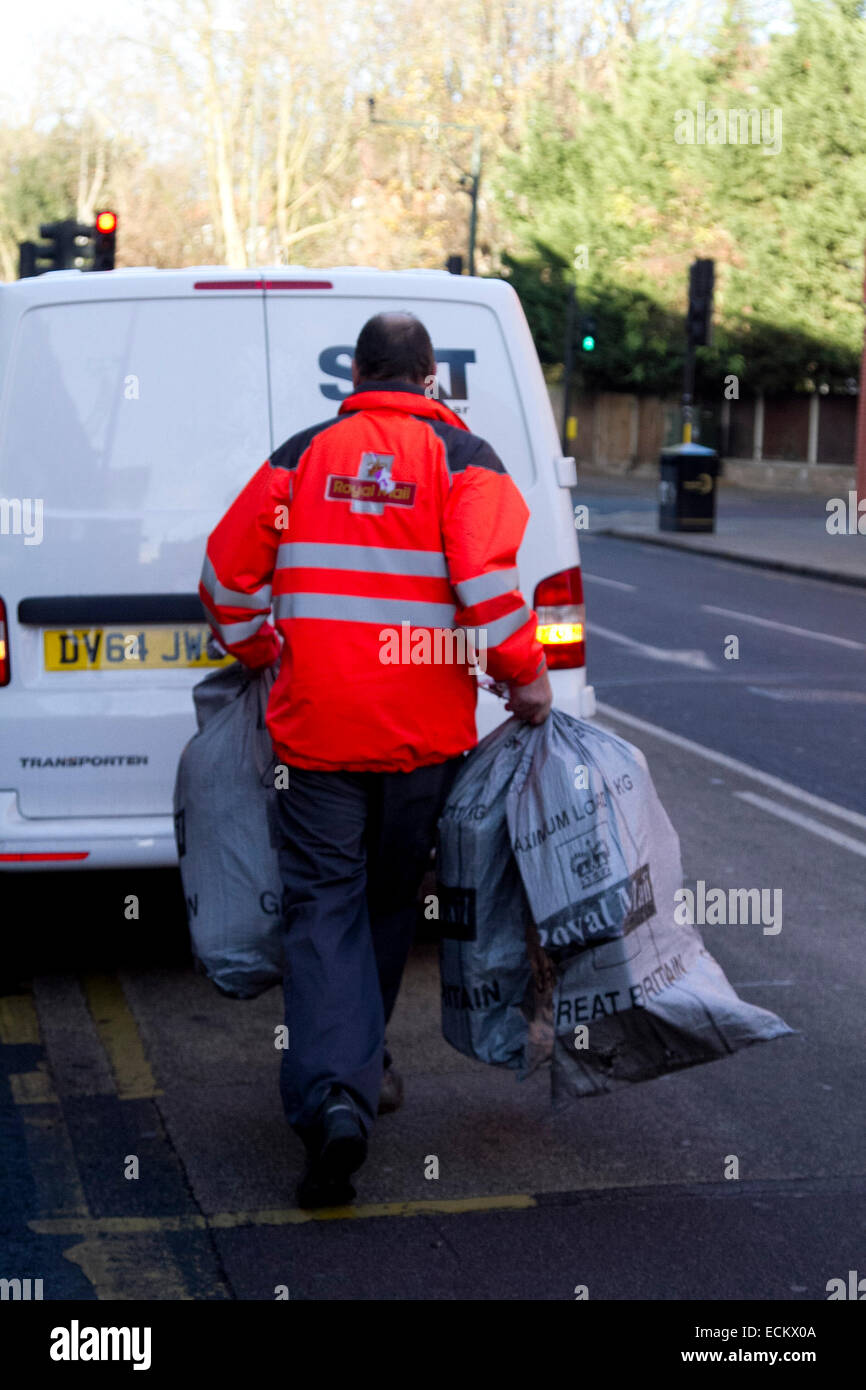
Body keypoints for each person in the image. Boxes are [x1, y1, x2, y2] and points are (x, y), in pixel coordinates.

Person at [200, 311, 551, 1207]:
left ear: (353, 375)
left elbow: (226, 575)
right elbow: (485, 584)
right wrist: (526, 680)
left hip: (315, 733)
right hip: (422, 738)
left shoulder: (301, 455)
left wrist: (256, 652)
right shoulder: (467, 461)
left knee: (324, 906)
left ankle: (333, 1094)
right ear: (432, 379)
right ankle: (359, 1072)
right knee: (391, 899)